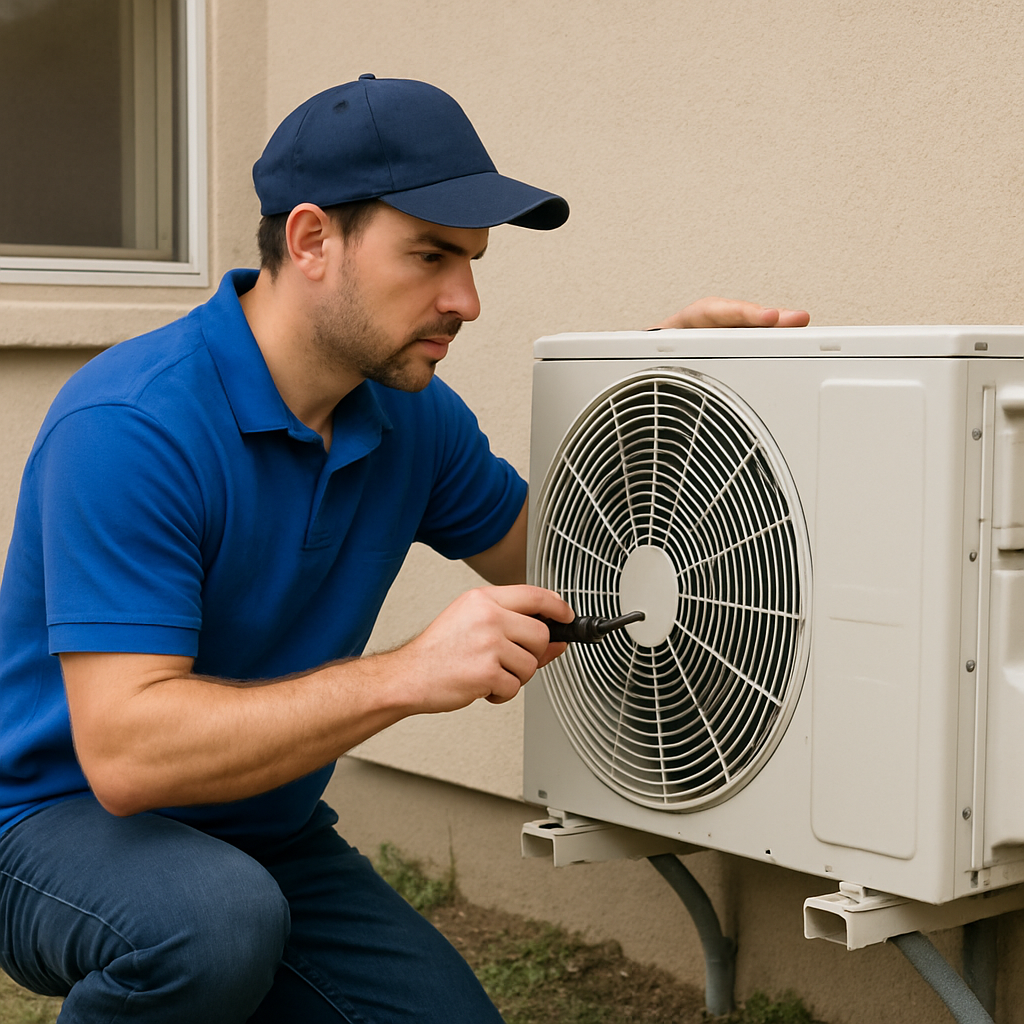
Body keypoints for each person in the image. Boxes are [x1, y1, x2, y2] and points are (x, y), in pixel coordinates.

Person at [0, 74, 809, 1023]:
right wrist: (405, 675)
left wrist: (667, 389)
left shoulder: (411, 416)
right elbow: (132, 759)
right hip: (61, 829)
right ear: (311, 241)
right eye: (429, 255)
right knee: (209, 922)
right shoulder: (132, 426)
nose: (464, 298)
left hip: (267, 829)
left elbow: (570, 567)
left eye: (472, 260)